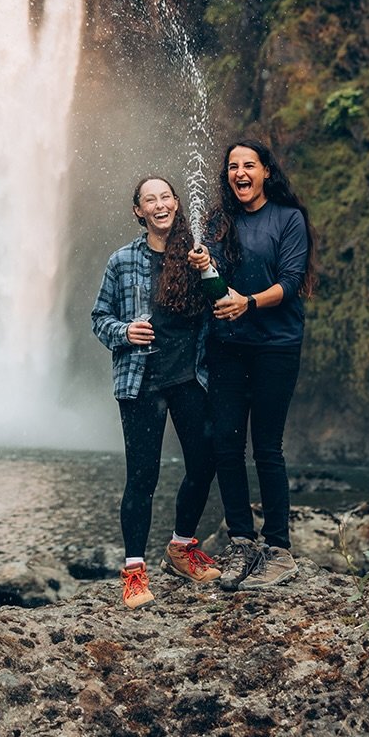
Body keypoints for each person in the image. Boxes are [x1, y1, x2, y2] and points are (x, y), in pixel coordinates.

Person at [188, 139, 315, 592]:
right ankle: (241, 539)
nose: (239, 173)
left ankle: (278, 550)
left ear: (265, 172)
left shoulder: (288, 219)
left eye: (249, 165)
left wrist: (250, 303)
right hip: (227, 344)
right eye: (232, 167)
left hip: (275, 346)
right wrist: (203, 267)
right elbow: (216, 289)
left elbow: (291, 282)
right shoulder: (219, 223)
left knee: (266, 448)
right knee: (226, 445)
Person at [92, 175, 222, 609]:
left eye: (166, 196)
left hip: (189, 378)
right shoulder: (122, 260)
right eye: (150, 199)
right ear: (139, 211)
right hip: (142, 382)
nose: (160, 204)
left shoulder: (197, 253)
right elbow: (99, 318)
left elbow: (222, 305)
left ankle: (181, 548)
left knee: (205, 463)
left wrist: (206, 268)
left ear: (177, 202)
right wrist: (125, 331)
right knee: (142, 478)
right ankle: (133, 572)